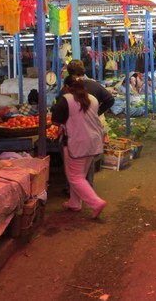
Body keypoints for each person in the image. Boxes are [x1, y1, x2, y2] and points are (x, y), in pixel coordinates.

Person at [51, 76, 107, 219]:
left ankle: (96, 202)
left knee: (75, 177)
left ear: (67, 87)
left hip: (76, 142)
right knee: (80, 175)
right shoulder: (93, 99)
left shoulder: (66, 100)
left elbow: (56, 122)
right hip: (93, 141)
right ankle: (75, 203)